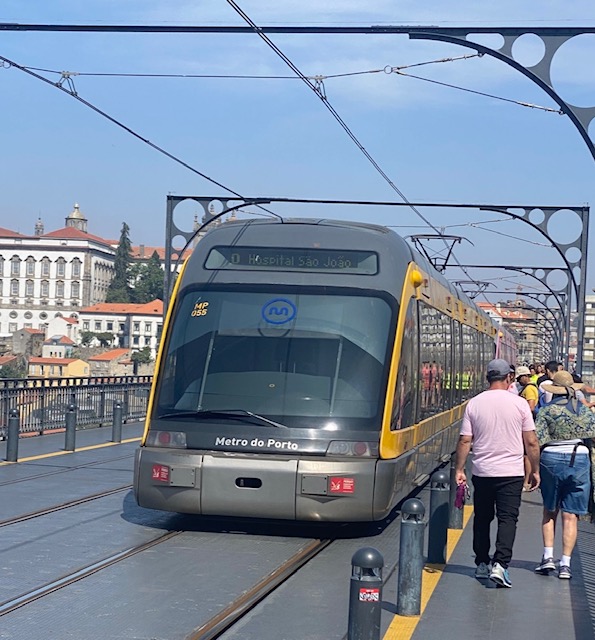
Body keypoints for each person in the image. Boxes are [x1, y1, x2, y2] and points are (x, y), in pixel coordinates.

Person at [455, 358, 541, 588]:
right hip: (511, 473)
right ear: (509, 378)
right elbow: (531, 442)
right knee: (508, 519)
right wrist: (535, 470)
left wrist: (460, 469)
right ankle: (500, 566)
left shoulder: (474, 403)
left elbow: (465, 440)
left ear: (487, 378)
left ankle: (482, 563)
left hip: (482, 471)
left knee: (482, 518)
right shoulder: (520, 404)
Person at [534, 370, 595, 579]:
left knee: (550, 510)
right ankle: (566, 565)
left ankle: (548, 557)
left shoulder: (546, 411)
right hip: (579, 458)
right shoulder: (585, 411)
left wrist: (533, 469)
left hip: (551, 457)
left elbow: (537, 439)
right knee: (571, 516)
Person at [516, 365, 539, 489]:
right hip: (527, 423)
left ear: (525, 377)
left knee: (526, 455)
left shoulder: (529, 389)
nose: (518, 381)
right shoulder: (529, 387)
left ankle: (526, 481)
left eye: (520, 378)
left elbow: (530, 407)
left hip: (527, 425)